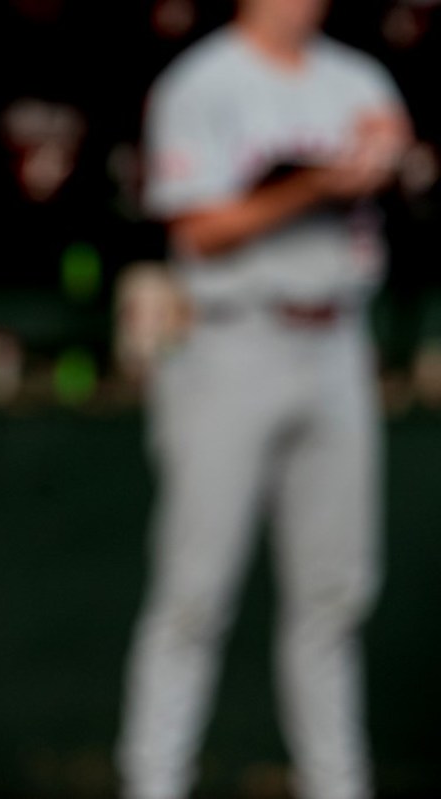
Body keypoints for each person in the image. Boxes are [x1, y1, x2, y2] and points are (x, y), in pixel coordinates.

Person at [115, 2, 413, 798]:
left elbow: (392, 144)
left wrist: (381, 156)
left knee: (335, 594)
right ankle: (153, 783)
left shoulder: (357, 77)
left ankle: (336, 783)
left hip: (338, 337)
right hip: (232, 338)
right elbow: (200, 230)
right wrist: (311, 184)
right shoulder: (202, 82)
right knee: (193, 593)